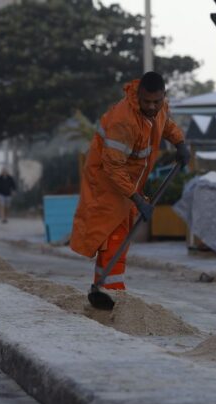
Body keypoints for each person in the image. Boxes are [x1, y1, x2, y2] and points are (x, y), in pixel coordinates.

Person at [70, 71, 190, 291]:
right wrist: (137, 198)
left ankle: (104, 286)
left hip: (128, 179)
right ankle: (110, 291)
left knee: (121, 231)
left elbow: (166, 125)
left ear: (164, 95)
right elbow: (113, 167)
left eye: (157, 101)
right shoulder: (123, 121)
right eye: (147, 101)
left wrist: (180, 143)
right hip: (106, 178)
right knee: (112, 232)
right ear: (138, 95)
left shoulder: (159, 108)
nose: (153, 107)